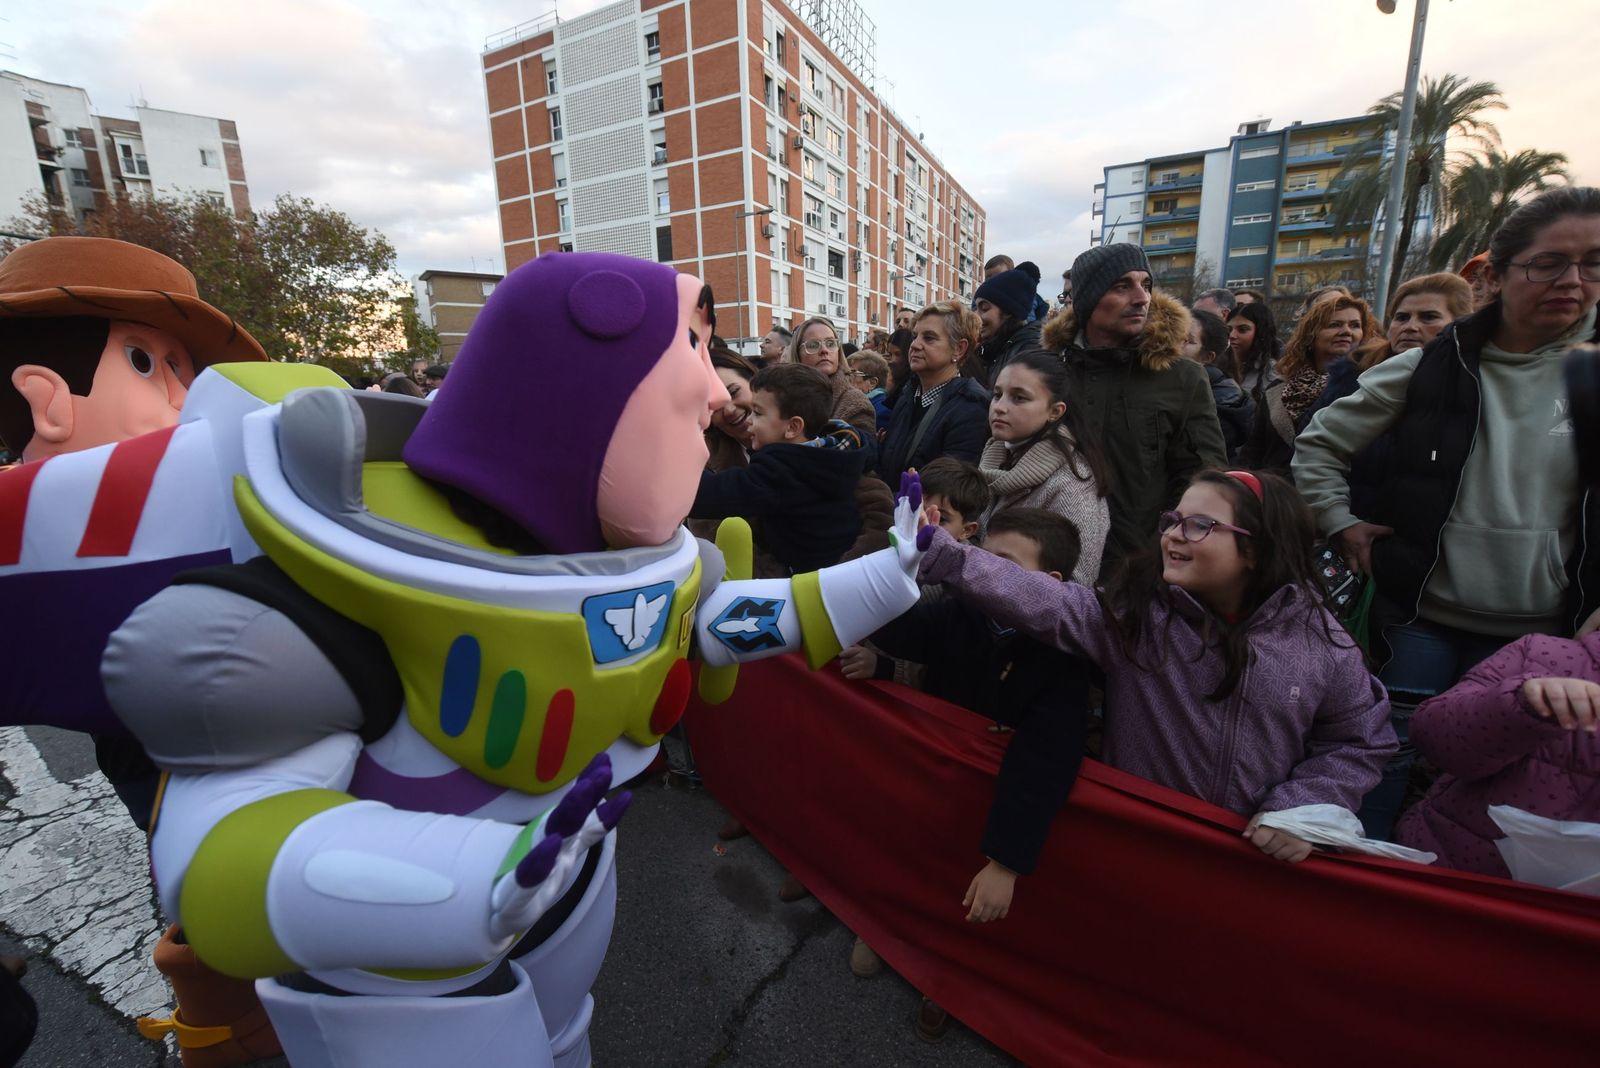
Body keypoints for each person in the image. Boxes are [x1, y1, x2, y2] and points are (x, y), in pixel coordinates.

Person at [1293, 186, 1600, 840]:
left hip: (1549, 636)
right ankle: (1362, 882)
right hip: (1421, 618)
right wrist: (1340, 521)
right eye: (1548, 263)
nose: (1573, 281)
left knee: (1514, 788)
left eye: (1595, 262)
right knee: (1387, 756)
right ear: (1498, 273)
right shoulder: (1434, 363)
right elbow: (1319, 443)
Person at [918, 468, 1395, 863]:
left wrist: (1300, 808)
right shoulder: (1136, 618)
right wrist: (944, 554)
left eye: (1199, 525)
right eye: (1172, 520)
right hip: (1135, 846)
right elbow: (1044, 599)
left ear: (1257, 547)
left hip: (1250, 863)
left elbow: (1359, 739)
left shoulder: (1321, 642)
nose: (1172, 536)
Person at [840, 508, 1092, 1036]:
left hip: (996, 801)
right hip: (937, 776)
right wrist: (885, 574)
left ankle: (952, 973)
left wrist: (1006, 861)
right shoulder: (964, 611)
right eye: (980, 559)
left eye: (1003, 565)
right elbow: (910, 634)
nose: (982, 573)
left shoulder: (1064, 660)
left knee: (976, 893)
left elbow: (1045, 761)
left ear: (1050, 586)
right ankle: (889, 930)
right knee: (914, 853)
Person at [1040, 243, 1226, 571]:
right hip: (1046, 560)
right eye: (1122, 286)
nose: (1142, 298)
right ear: (1087, 299)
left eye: (1146, 285)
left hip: (1138, 568)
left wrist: (1162, 551)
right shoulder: (1046, 371)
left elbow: (1203, 479)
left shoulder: (1182, 377)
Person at [1395, 630, 1600, 877]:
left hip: (1572, 910)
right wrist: (1519, 706)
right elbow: (1432, 736)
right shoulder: (1546, 655)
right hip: (1451, 869)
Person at [690, 362, 868, 574]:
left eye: (758, 413)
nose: (750, 422)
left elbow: (718, 494)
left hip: (809, 581)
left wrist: (677, 467)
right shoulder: (836, 451)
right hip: (838, 571)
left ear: (793, 427)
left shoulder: (781, 470)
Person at [978, 351, 1110, 582]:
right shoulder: (996, 457)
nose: (999, 407)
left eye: (1019, 398)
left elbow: (1075, 589)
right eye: (997, 395)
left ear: (1055, 411)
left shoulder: (1073, 487)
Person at [1239, 294, 1372, 474]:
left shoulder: (1367, 386)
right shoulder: (1278, 388)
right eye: (1334, 325)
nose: (1347, 331)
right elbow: (1255, 448)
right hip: (1277, 493)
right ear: (1311, 334)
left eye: (1355, 325)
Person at [876, 301, 991, 482]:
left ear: (959, 349)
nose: (914, 345)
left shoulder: (971, 408)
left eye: (929, 338)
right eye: (915, 336)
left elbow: (948, 489)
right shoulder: (908, 393)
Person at [783, 316, 877, 443]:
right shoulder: (781, 397)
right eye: (813, 345)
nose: (824, 350)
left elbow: (857, 458)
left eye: (831, 343)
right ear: (797, 353)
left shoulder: (855, 403)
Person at [1183, 309, 1253, 457]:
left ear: (1207, 357)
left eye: (1187, 341)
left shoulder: (1220, 404)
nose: (1172, 345)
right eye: (1173, 335)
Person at [969, 268, 1044, 388]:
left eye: (984, 308)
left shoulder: (1028, 352)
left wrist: (968, 360)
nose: (976, 316)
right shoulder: (998, 348)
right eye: (975, 308)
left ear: (1008, 311)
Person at [1225, 300, 1280, 401]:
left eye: (1242, 329)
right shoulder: (1217, 365)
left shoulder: (1273, 372)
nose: (1232, 335)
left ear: (1260, 333)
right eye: (1229, 329)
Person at [846, 351, 892, 433]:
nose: (846, 380)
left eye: (852, 374)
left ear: (872, 383)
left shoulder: (881, 412)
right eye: (846, 374)